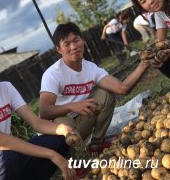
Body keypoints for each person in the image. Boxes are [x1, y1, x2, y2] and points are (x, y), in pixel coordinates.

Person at [39, 22, 149, 158]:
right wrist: (72, 107)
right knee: (62, 119)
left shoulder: (90, 68)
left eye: (76, 40)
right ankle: (71, 163)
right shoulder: (53, 74)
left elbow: (122, 89)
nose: (73, 47)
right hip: (56, 134)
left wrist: (144, 65)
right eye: (67, 44)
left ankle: (95, 144)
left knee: (105, 94)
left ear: (83, 41)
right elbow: (44, 112)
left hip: (80, 123)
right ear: (59, 50)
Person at [0, 49, 77, 180]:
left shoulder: (6, 88)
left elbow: (36, 123)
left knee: (59, 139)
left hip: (8, 162)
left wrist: (62, 129)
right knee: (6, 157)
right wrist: (52, 154)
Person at [131, 0, 170, 78]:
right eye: (143, 1)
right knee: (161, 59)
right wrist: (154, 56)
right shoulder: (160, 14)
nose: (150, 1)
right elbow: (161, 43)